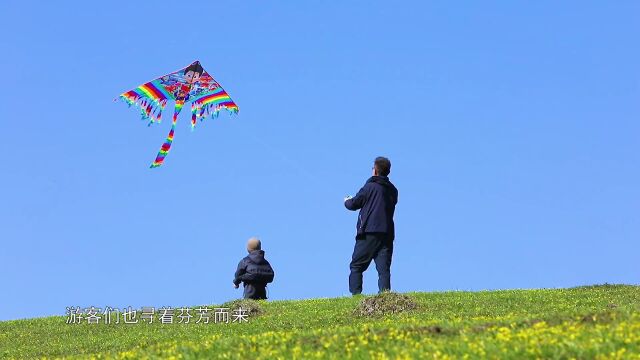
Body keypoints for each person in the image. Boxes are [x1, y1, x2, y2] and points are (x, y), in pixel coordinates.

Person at [344, 157, 398, 295]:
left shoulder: (369, 187)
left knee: (356, 266)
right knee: (383, 269)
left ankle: (356, 295)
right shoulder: (393, 191)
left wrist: (347, 201)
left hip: (369, 231)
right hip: (386, 233)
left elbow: (354, 204)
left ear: (375, 170)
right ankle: (385, 295)